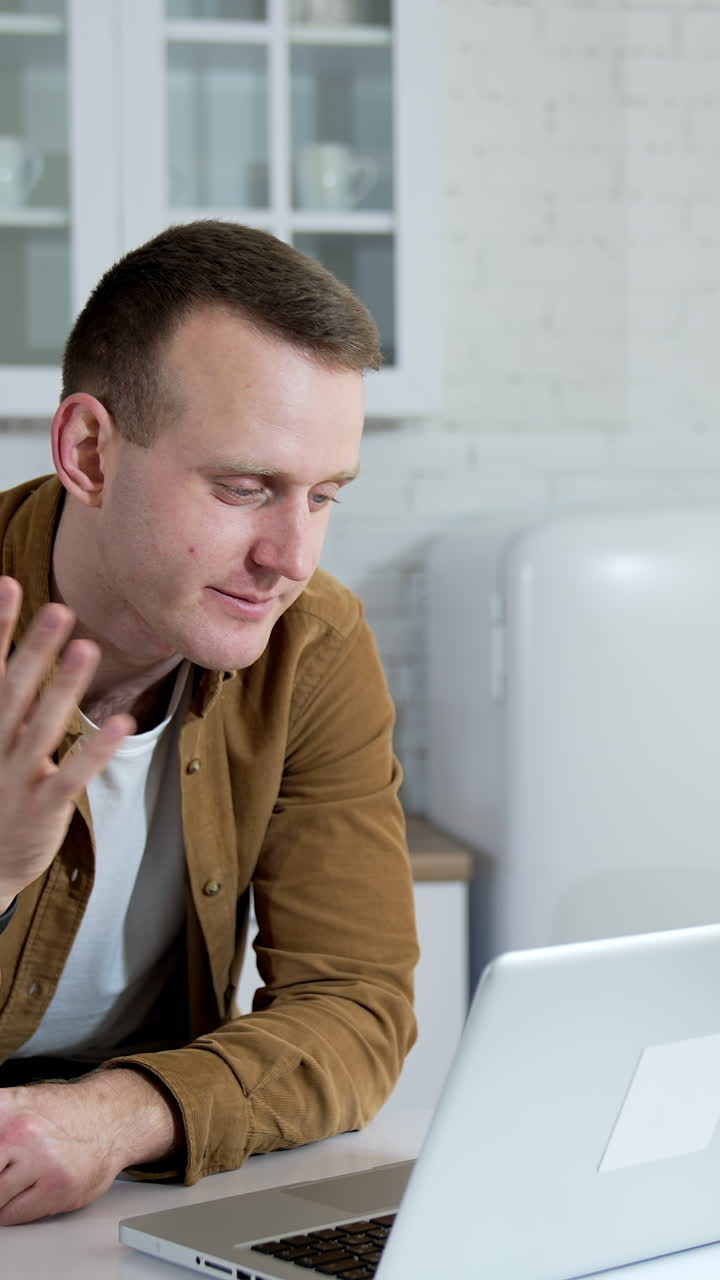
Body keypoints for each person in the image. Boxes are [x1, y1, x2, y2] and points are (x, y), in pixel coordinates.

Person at [0, 220, 418, 1226]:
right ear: (90, 451)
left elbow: (358, 1008)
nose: (292, 556)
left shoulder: (311, 644)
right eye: (244, 487)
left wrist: (118, 1115)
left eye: (323, 496)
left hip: (120, 1200)